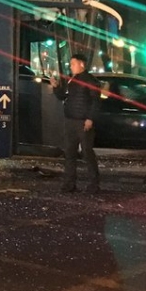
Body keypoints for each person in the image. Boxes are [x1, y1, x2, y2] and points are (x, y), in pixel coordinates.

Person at [50, 53, 102, 193]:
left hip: (83, 121)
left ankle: (93, 184)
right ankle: (69, 183)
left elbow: (96, 101)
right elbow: (63, 96)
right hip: (70, 120)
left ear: (82, 64)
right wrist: (56, 87)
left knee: (87, 152)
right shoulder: (71, 80)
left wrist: (90, 118)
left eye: (73, 63)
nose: (70, 66)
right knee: (70, 153)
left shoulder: (90, 80)